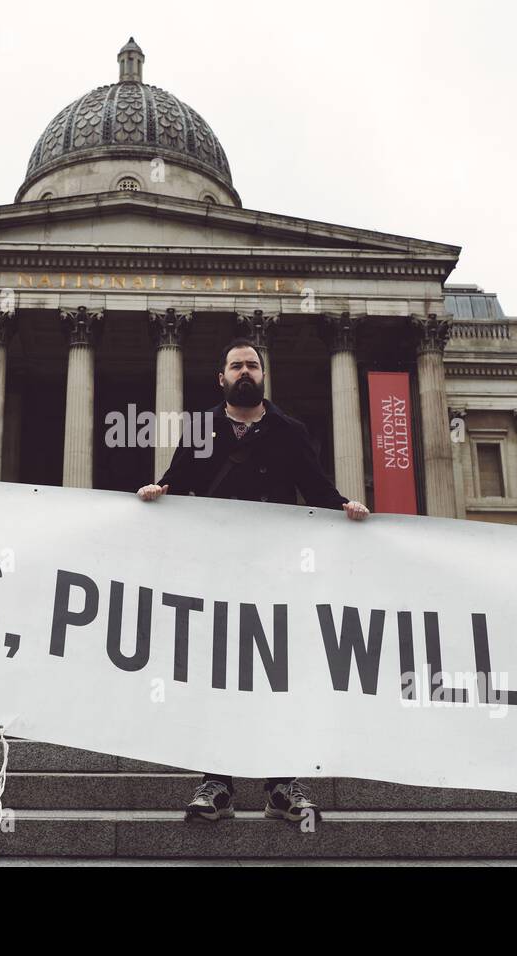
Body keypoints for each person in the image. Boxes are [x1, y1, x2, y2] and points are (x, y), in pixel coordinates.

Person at [136, 339, 369, 825]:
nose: (245, 371)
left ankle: (281, 785)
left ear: (263, 376)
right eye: (236, 365)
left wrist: (347, 506)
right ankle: (216, 783)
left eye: (253, 365)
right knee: (219, 675)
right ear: (221, 378)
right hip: (217, 574)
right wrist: (159, 491)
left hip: (275, 574)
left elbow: (319, 489)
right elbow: (177, 480)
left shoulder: (290, 430)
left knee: (275, 676)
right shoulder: (201, 429)